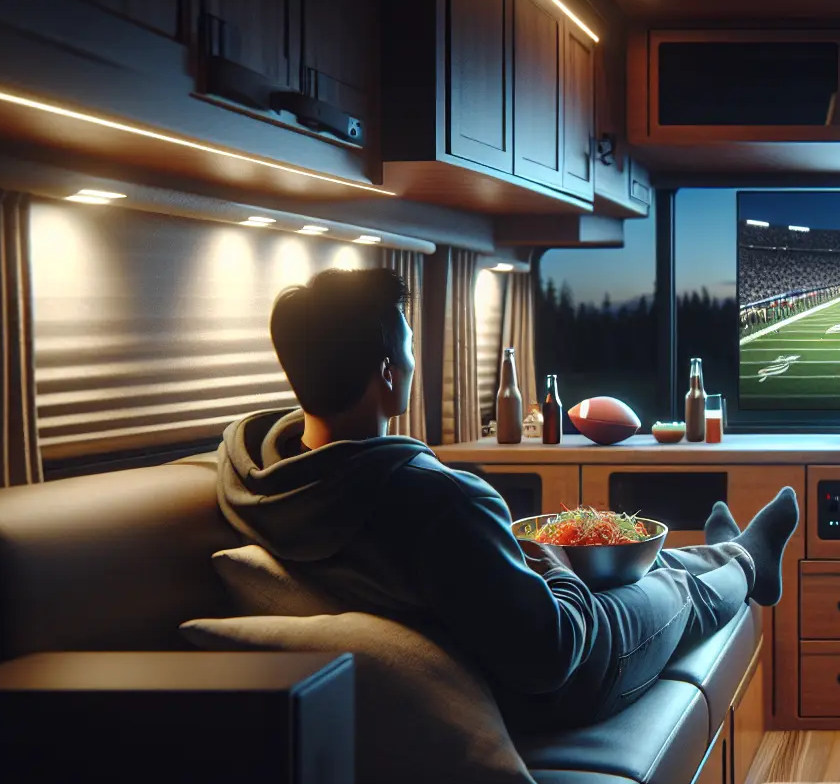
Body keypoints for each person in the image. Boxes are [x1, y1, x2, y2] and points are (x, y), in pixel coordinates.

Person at [216, 268, 799, 730]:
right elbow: (551, 655)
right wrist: (558, 568)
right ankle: (748, 561)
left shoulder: (259, 479)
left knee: (641, 562)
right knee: (673, 589)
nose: (416, 361)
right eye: (411, 346)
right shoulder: (436, 499)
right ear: (389, 372)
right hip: (561, 678)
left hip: (490, 638)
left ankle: (718, 550)